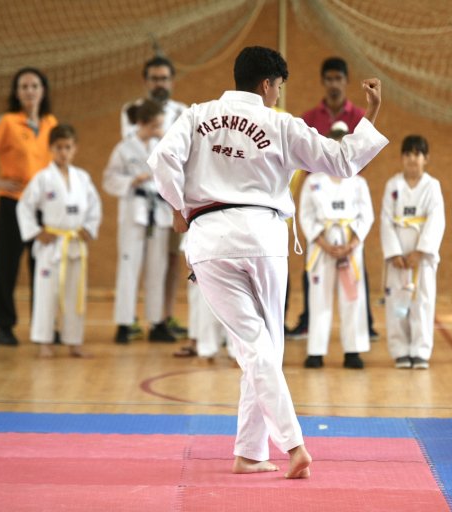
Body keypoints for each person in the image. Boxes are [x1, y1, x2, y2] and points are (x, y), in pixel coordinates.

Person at [147, 46, 388, 478]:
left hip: (210, 240)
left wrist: (178, 207)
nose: (277, 94)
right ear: (266, 84)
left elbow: (162, 158)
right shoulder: (280, 123)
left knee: (256, 347)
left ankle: (250, 452)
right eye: (278, 86)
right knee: (263, 347)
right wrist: (371, 113)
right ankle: (292, 443)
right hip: (262, 237)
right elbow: (341, 160)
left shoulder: (198, 115)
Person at [0, 67, 58, 346]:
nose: (30, 91)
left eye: (34, 86)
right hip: (14, 204)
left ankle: (42, 326)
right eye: (24, 86)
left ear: (43, 90)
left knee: (43, 265)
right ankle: (4, 326)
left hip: (43, 207)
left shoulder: (50, 123)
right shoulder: (6, 122)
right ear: (16, 92)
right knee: (7, 266)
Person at [290, 56, 379, 340]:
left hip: (348, 193)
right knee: (314, 263)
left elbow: (364, 152)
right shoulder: (309, 119)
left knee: (356, 263)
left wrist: (345, 180)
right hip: (319, 196)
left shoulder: (359, 116)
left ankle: (366, 322)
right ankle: (308, 321)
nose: (333, 84)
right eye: (328, 79)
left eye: (338, 78)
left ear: (346, 81)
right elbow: (300, 155)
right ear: (322, 81)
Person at [15, 125, 102, 358]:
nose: (63, 152)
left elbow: (95, 206)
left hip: (75, 244)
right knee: (46, 294)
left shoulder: (82, 178)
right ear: (51, 149)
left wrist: (89, 228)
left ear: (75, 149)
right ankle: (45, 342)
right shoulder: (43, 178)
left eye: (68, 147)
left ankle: (74, 342)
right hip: (51, 244)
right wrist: (36, 232)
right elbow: (24, 206)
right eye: (59, 147)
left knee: (75, 294)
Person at [122, 56, 188, 338]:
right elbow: (135, 146)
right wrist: (165, 139)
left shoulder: (183, 111)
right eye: (154, 78)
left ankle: (165, 316)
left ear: (171, 81)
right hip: (142, 196)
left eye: (164, 78)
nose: (159, 83)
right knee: (136, 257)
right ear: (145, 81)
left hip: (172, 195)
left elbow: (184, 151)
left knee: (171, 258)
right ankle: (130, 318)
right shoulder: (132, 110)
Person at [299, 121, 374, 370]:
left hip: (349, 247)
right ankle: (316, 351)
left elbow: (366, 216)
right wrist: (322, 242)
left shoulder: (358, 182)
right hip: (322, 247)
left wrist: (351, 244)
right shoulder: (313, 181)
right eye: (334, 146)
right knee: (318, 298)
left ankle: (353, 350)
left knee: (352, 298)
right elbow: (305, 215)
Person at [104, 99, 176, 343]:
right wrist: (131, 181)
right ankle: (124, 323)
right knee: (129, 265)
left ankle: (156, 323)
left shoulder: (162, 148)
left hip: (159, 211)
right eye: (155, 126)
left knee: (158, 266)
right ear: (142, 123)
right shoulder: (124, 149)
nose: (158, 130)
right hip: (134, 210)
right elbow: (109, 178)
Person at [381, 135, 445, 369]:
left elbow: (436, 220)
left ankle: (420, 350)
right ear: (401, 158)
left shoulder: (432, 186)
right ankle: (400, 350)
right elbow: (386, 220)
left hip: (421, 257)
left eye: (417, 154)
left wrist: (421, 252)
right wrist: (394, 253)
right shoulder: (393, 185)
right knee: (396, 301)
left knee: (422, 301)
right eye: (407, 154)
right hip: (398, 255)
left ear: (426, 158)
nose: (412, 159)